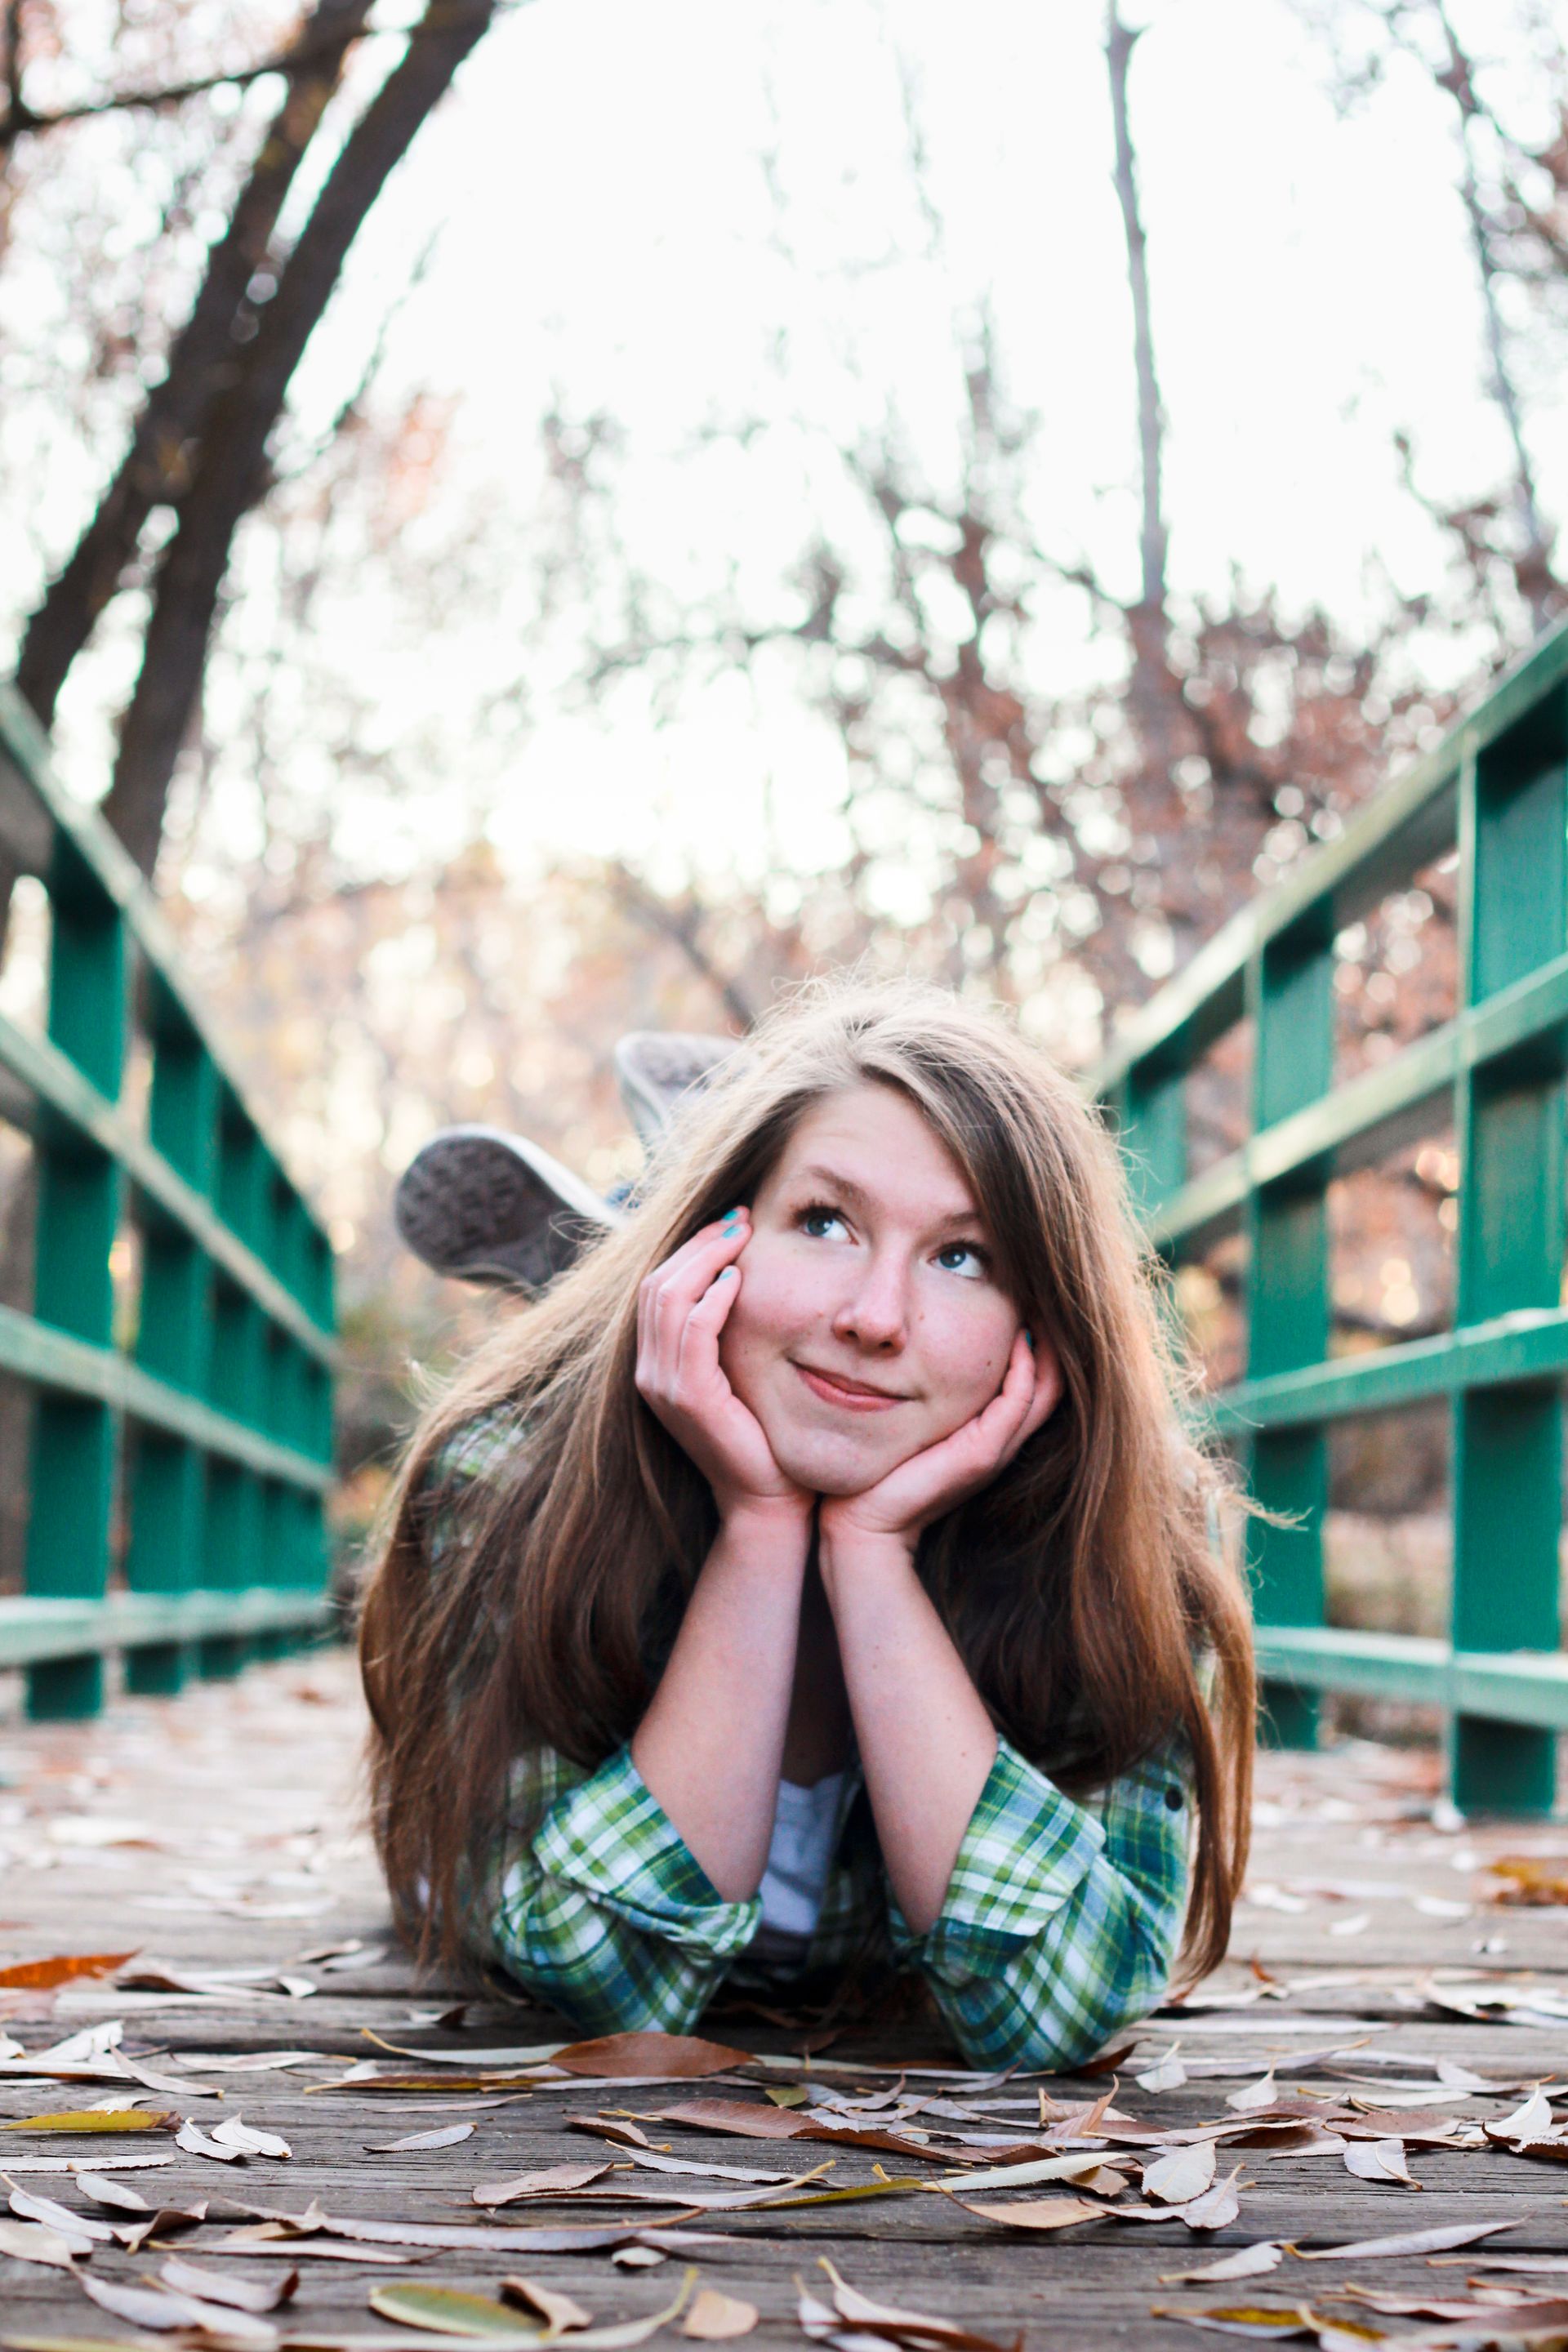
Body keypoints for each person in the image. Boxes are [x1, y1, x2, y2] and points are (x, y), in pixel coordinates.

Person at [359, 979, 1255, 2069]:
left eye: (962, 1257)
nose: (876, 1319)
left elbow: (1064, 2013)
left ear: (1046, 1321)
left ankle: (647, 1214)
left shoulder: (1130, 1529)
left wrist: (871, 1557)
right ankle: (640, 1239)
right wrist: (761, 1527)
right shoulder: (512, 1478)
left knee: (815, 1337)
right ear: (714, 1249)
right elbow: (607, 1984)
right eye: (824, 1223)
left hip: (765, 1325)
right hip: (631, 1405)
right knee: (668, 1374)